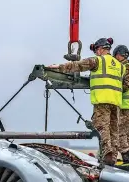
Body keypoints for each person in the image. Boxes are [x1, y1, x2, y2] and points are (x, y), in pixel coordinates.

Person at [46, 37, 124, 166]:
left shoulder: (98, 60)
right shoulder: (119, 66)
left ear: (100, 49)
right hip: (116, 102)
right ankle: (113, 156)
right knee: (113, 130)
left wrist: (58, 67)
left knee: (100, 126)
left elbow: (78, 65)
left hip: (102, 99)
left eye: (96, 50)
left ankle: (107, 152)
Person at [113, 45, 129, 171]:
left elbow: (126, 85)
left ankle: (127, 161)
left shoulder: (126, 67)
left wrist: (112, 89)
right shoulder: (127, 67)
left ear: (119, 55)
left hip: (127, 107)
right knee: (127, 135)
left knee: (120, 134)